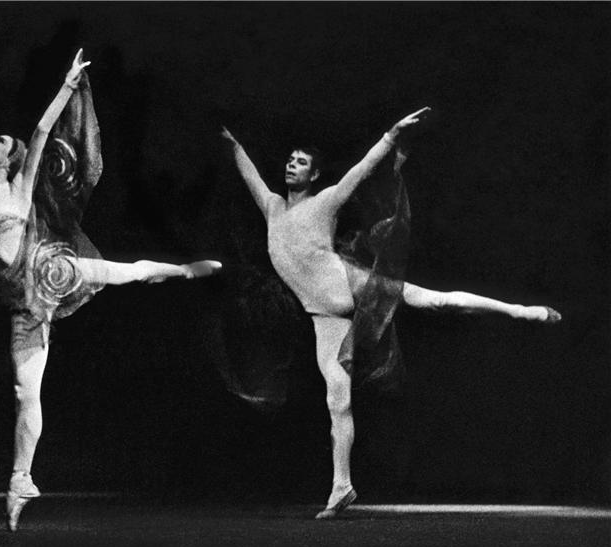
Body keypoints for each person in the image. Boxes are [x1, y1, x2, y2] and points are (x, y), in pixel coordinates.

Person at [0, 49, 220, 531]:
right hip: (22, 304)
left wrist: (67, 85)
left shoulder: (21, 186)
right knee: (25, 392)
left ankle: (185, 271)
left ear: (12, 157)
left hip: (51, 272)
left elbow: (42, 132)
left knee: (125, 272)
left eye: (1, 140)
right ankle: (21, 481)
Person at [220, 108, 560, 519]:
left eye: (301, 162)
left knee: (434, 301)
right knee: (337, 399)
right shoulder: (272, 207)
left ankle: (522, 311)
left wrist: (391, 135)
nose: (292, 165)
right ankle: (342, 487)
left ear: (314, 175)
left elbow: (361, 172)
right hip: (323, 316)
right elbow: (247, 170)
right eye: (290, 160)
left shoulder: (325, 202)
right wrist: (230, 141)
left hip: (353, 286)